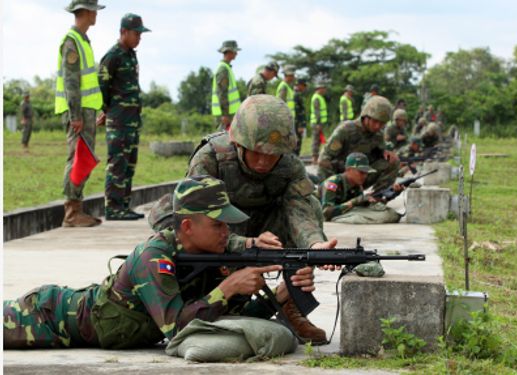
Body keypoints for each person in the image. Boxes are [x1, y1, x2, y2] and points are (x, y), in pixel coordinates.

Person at [3, 175, 317, 349]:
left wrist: (276, 299)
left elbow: (218, 319)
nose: (227, 232)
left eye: (227, 224)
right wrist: (227, 287)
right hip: (46, 317)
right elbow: (176, 327)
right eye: (218, 224)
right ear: (187, 227)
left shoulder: (209, 255)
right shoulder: (154, 256)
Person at [149, 95, 335, 344]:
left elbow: (299, 211)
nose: (263, 162)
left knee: (311, 204)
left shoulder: (290, 166)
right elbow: (197, 217)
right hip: (219, 228)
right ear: (238, 142)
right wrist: (243, 243)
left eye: (272, 155)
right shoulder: (211, 158)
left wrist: (314, 246)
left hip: (264, 231)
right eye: (256, 152)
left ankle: (291, 305)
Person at [54, 0, 105, 228]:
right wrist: (76, 115)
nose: (96, 14)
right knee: (77, 158)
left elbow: (87, 83)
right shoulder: (72, 42)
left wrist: (96, 110)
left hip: (86, 111)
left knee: (83, 158)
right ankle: (72, 213)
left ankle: (77, 209)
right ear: (85, 12)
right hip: (78, 112)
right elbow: (71, 83)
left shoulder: (83, 40)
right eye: (94, 10)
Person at [98, 13, 150, 220]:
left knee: (129, 165)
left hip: (131, 121)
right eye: (136, 33)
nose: (139, 38)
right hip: (118, 121)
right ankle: (113, 208)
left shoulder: (130, 55)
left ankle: (124, 206)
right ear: (123, 32)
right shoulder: (113, 56)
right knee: (117, 164)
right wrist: (105, 110)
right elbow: (102, 86)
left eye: (140, 34)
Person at [318, 96, 403, 193]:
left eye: (382, 123)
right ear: (366, 116)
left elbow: (383, 153)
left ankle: (378, 197)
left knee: (393, 161)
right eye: (375, 121)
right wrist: (330, 188)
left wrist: (386, 153)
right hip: (339, 179)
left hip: (359, 178)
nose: (377, 126)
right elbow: (324, 160)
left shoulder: (378, 135)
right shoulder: (346, 130)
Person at [211, 40, 241, 131]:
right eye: (235, 51)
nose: (236, 53)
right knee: (222, 141)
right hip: (226, 115)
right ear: (229, 52)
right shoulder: (223, 69)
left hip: (230, 114)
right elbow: (222, 93)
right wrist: (225, 114)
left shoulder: (227, 68)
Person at [310, 82, 328, 165]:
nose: (325, 90)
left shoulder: (319, 97)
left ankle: (316, 157)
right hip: (317, 123)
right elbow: (317, 112)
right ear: (319, 88)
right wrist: (318, 124)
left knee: (318, 140)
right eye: (323, 88)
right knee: (316, 140)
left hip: (319, 123)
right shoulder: (316, 97)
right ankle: (314, 158)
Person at [293, 78, 308, 155]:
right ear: (299, 85)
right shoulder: (297, 95)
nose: (305, 88)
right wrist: (301, 125)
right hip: (297, 123)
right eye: (304, 86)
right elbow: (298, 111)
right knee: (297, 143)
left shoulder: (296, 93)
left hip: (295, 123)